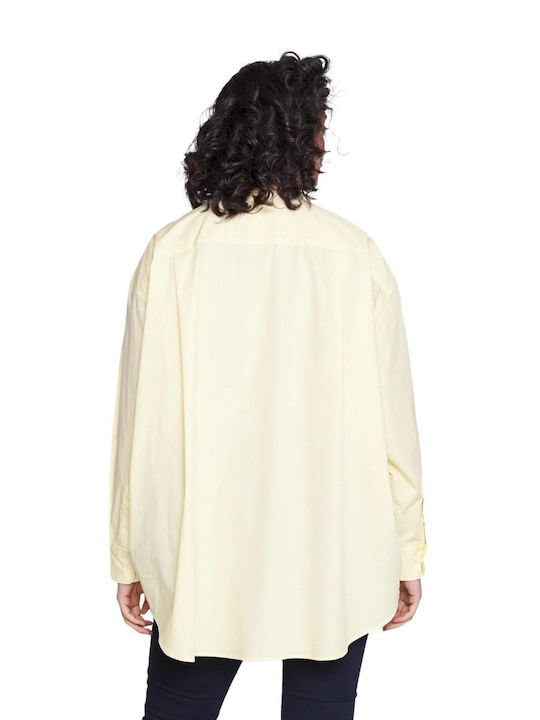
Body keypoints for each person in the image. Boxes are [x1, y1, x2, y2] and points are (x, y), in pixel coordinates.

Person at [109, 51, 427, 720]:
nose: (323, 147)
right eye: (318, 129)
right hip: (331, 547)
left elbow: (139, 424)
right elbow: (394, 425)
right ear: (297, 137)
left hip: (202, 553)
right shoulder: (354, 255)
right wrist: (406, 550)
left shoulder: (171, 254)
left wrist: (129, 555)